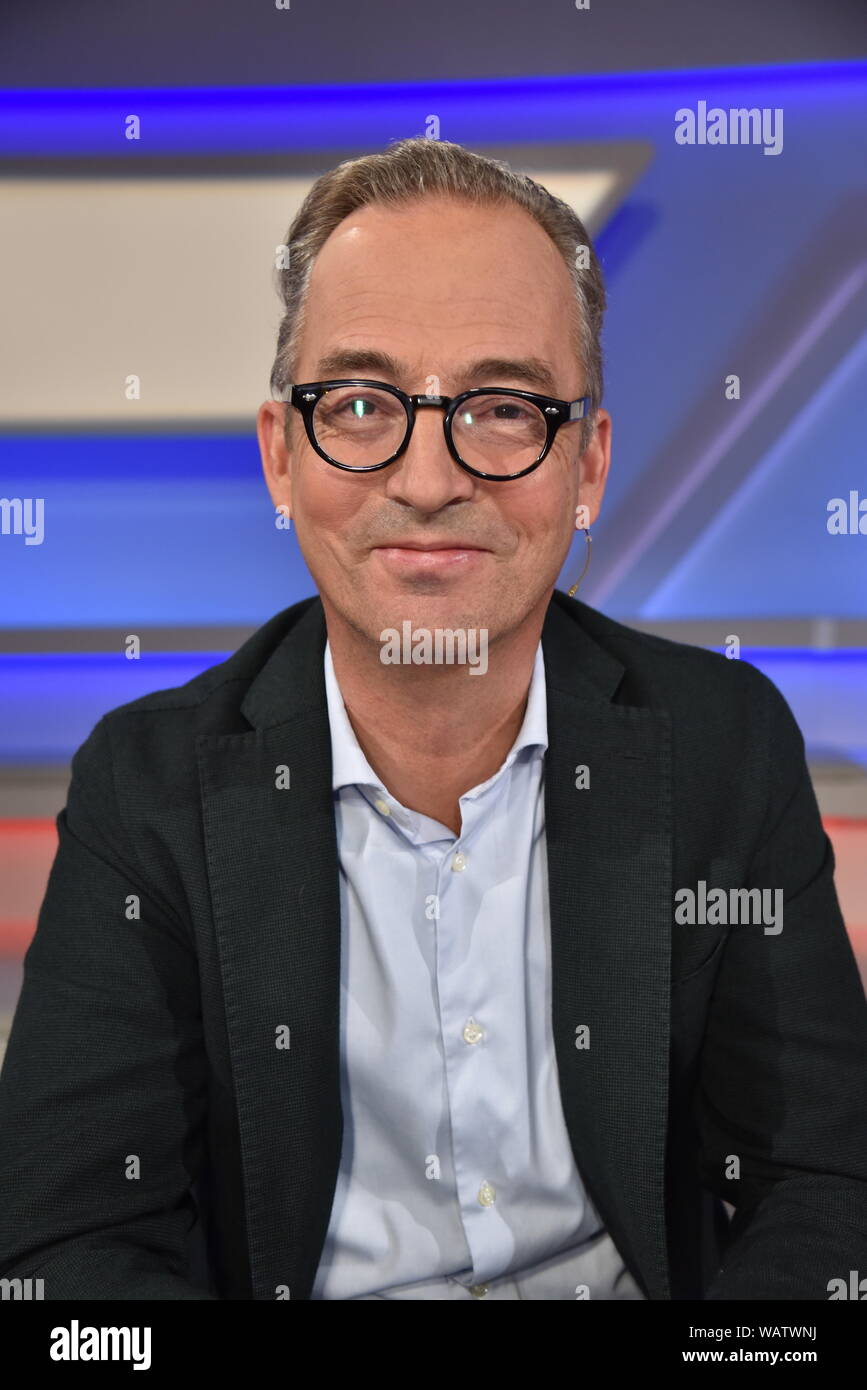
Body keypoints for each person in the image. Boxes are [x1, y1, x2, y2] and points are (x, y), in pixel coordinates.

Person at [1, 137, 865, 1301]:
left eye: (502, 408)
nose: (426, 476)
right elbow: (69, 1255)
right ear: (281, 455)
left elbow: (824, 1187)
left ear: (588, 467)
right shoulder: (143, 790)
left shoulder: (727, 745)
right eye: (360, 403)